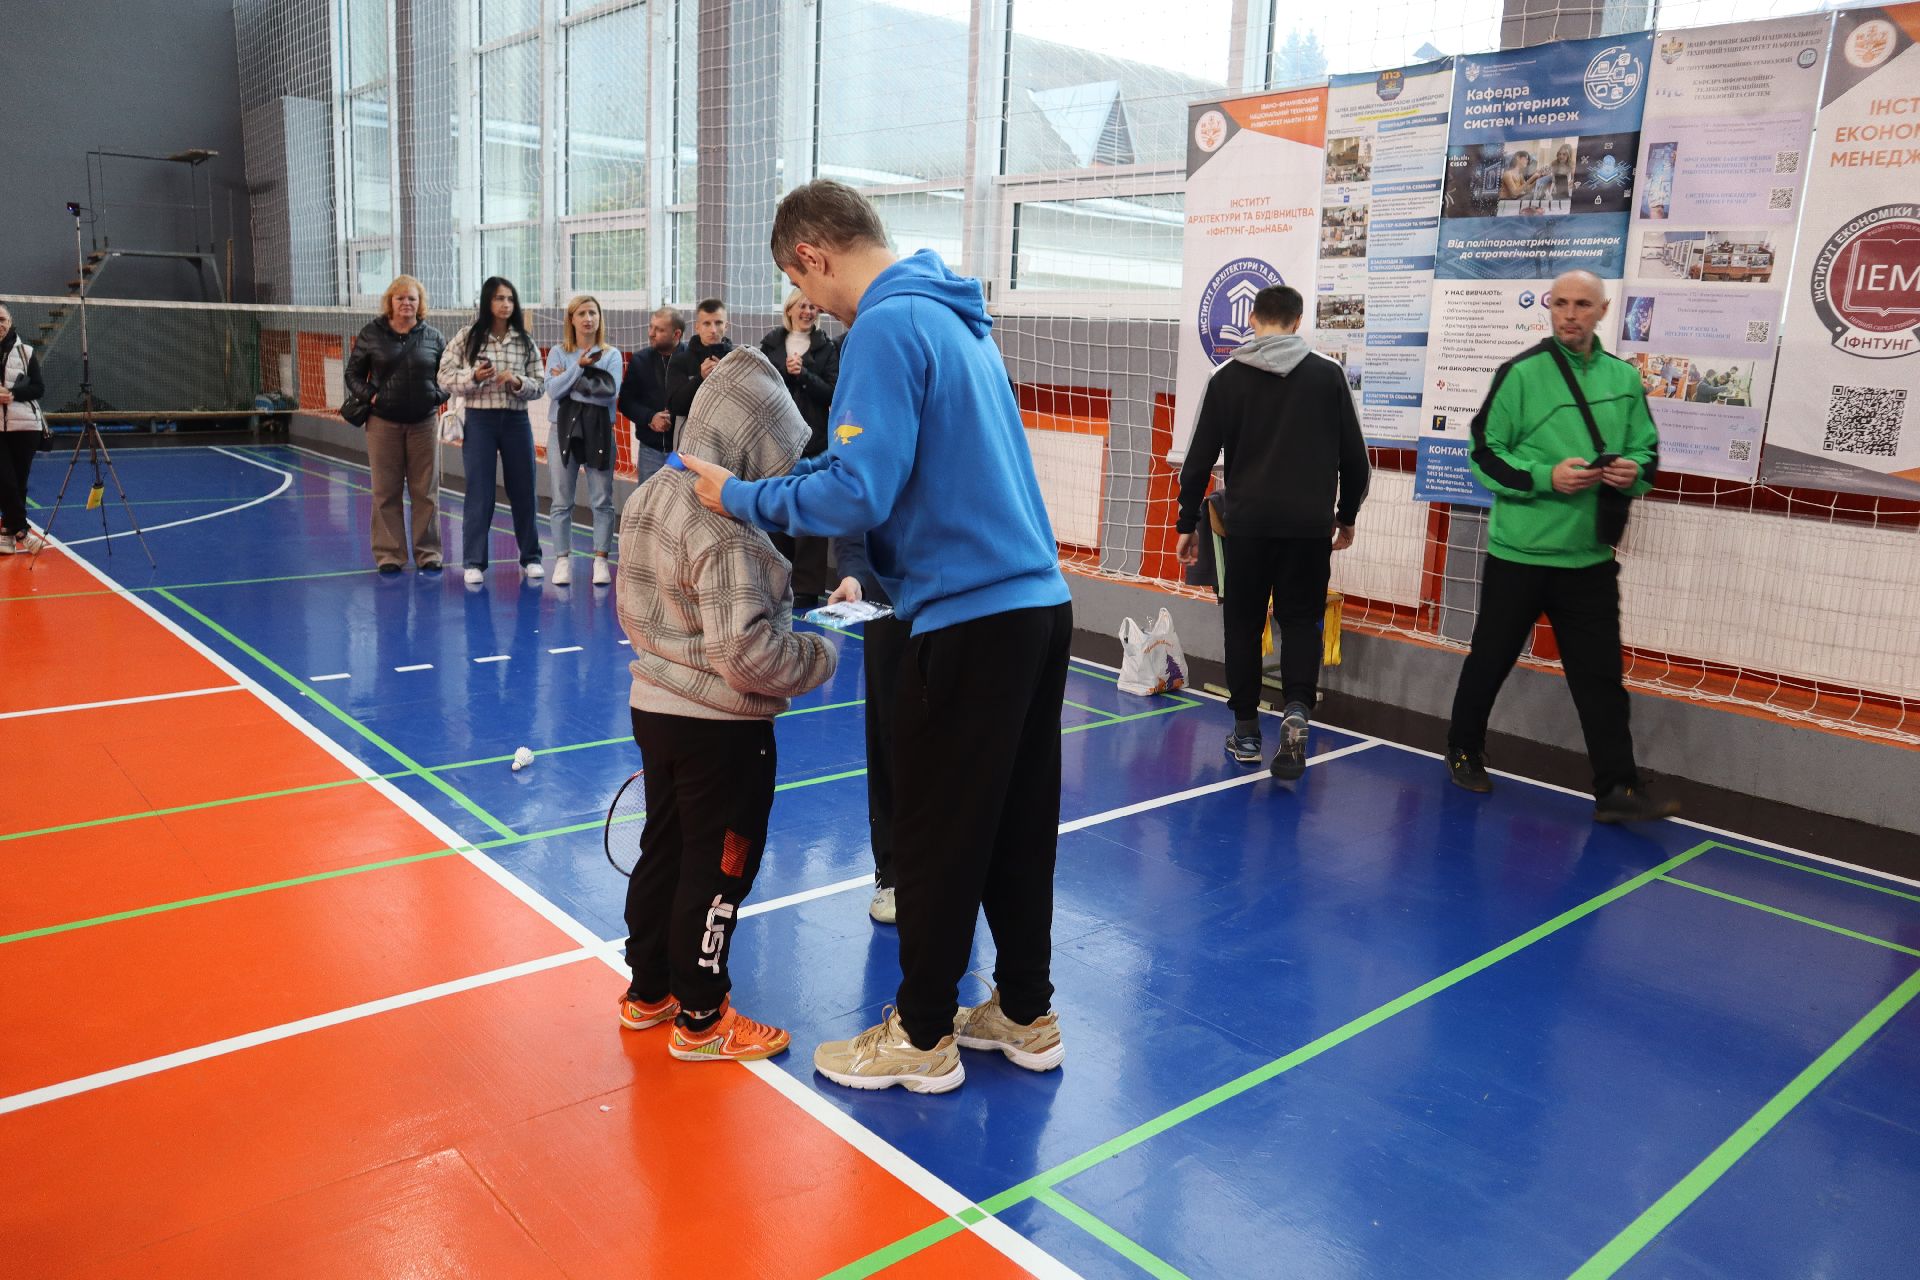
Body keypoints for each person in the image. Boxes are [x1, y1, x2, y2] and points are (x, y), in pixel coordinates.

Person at [679, 179, 1073, 1096]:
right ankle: (1025, 1011)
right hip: (1036, 606)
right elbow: (878, 460)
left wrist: (739, 496)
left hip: (968, 616)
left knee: (934, 832)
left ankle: (923, 1034)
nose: (808, 303)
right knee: (1016, 827)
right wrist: (805, 472)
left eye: (798, 282)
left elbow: (861, 492)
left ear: (812, 255)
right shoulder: (954, 316)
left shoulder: (886, 327)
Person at [613, 346, 837, 1063]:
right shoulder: (725, 527)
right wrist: (822, 652)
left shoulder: (652, 492)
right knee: (720, 869)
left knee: (666, 848)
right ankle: (703, 1017)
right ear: (752, 440)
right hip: (721, 730)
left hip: (655, 707)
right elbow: (746, 656)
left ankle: (650, 990)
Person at [1444, 269, 1679, 824]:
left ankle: (1617, 788)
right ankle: (1462, 749)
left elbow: (1647, 453)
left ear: (1603, 311)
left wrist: (1632, 472)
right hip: (1519, 556)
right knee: (1490, 662)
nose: (1570, 315)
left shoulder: (1624, 378)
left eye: (1582, 305)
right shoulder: (1522, 374)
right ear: (1550, 308)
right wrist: (1545, 477)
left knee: (1601, 681)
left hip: (1589, 560)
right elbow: (1485, 454)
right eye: (1561, 304)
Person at [1175, 285, 1370, 780]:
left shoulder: (1226, 377)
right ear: (1298, 321)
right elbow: (1357, 461)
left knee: (1243, 623)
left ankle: (1246, 732)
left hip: (1248, 527)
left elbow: (1197, 462)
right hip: (1309, 528)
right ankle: (1297, 709)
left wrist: (1186, 523)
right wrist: (1346, 516)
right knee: (1301, 622)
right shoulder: (1328, 376)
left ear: (1253, 320)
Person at [437, 277, 546, 584]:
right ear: (487, 301)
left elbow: (540, 385)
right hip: (479, 420)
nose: (505, 304)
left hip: (516, 421)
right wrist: (474, 376)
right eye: (499, 298)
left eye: (510, 299)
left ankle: (531, 557)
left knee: (524, 490)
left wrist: (518, 382)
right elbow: (443, 376)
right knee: (480, 491)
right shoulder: (468, 337)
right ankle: (473, 561)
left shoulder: (524, 340)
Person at [345, 275, 448, 574]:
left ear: (420, 303)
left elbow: (449, 376)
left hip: (424, 424)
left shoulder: (434, 337)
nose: (406, 303)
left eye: (412, 298)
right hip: (383, 424)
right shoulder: (371, 334)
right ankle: (389, 554)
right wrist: (372, 396)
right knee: (385, 490)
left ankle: (428, 552)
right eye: (400, 298)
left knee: (426, 491)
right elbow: (352, 374)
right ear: (390, 301)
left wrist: (435, 397)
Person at [826, 533, 902, 924]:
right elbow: (855, 519)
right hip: (890, 608)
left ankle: (954, 872)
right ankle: (891, 874)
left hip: (956, 606)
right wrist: (854, 574)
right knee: (887, 737)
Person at [759, 289, 839, 607]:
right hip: (777, 440)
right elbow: (761, 385)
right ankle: (776, 579)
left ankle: (807, 586)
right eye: (802, 306)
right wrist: (785, 373)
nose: (808, 311)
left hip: (813, 441)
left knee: (811, 510)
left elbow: (832, 392)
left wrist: (803, 375)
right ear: (790, 309)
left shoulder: (827, 347)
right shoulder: (771, 344)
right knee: (777, 509)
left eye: (812, 306)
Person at [543, 294, 624, 587]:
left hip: (599, 430)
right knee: (561, 499)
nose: (588, 319)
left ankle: (600, 559)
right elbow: (553, 391)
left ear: (599, 318)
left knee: (602, 499)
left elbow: (607, 393)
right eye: (582, 313)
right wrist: (578, 368)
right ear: (572, 319)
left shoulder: (611, 355)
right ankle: (562, 560)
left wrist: (568, 381)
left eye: (593, 313)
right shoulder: (557, 353)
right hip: (561, 431)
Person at [0, 303, 50, 555]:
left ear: (10, 321)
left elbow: (38, 388)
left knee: (19, 482)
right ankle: (22, 531)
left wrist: (12, 394)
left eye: (1, 319)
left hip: (25, 426)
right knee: (5, 480)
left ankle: (7, 534)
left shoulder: (26, 352)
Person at [616, 307, 686, 484]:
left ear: (676, 334)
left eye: (659, 330)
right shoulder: (640, 360)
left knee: (681, 500)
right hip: (650, 451)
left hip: (685, 451)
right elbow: (625, 402)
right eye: (651, 327)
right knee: (647, 500)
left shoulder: (692, 361)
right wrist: (650, 417)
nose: (651, 334)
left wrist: (674, 418)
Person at [666, 299, 733, 434]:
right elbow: (676, 407)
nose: (713, 330)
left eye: (718, 323)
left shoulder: (736, 361)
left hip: (728, 435)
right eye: (706, 323)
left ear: (726, 326)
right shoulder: (680, 361)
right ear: (697, 327)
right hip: (690, 438)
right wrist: (700, 378)